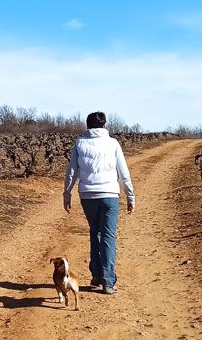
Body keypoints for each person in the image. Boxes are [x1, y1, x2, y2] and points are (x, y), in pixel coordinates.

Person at [63, 111, 135, 294]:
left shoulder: (80, 143)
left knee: (95, 232)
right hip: (110, 194)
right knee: (108, 236)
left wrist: (67, 192)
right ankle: (108, 282)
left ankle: (96, 275)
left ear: (87, 125)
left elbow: (72, 171)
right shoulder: (113, 143)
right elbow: (123, 172)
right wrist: (130, 195)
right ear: (104, 125)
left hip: (87, 195)